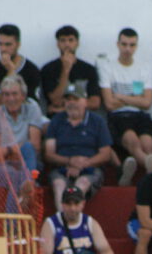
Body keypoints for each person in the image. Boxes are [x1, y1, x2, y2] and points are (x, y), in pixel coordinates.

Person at [98, 28, 152, 186]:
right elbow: (109, 104)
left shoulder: (144, 67)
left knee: (148, 143)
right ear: (118, 44)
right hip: (119, 117)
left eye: (132, 45)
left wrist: (121, 96)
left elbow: (147, 103)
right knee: (133, 140)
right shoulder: (107, 67)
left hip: (140, 115)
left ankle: (136, 173)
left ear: (136, 46)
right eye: (124, 44)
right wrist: (135, 98)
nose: (128, 49)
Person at [44, 82, 113, 210]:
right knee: (59, 184)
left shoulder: (97, 121)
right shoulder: (56, 121)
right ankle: (62, 222)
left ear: (85, 102)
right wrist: (69, 161)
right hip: (61, 168)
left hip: (90, 168)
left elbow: (106, 153)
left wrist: (83, 165)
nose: (71, 102)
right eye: (68, 99)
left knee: (82, 183)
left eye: (76, 99)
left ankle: (74, 220)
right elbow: (49, 154)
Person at [0, 75, 44, 212]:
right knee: (18, 177)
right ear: (1, 97)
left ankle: (11, 229)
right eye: (6, 95)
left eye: (14, 94)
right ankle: (28, 184)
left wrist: (7, 151)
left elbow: (35, 146)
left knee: (28, 150)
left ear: (23, 96)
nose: (11, 99)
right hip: (1, 168)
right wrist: (14, 149)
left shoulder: (32, 109)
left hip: (28, 163)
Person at [40, 25, 101, 114]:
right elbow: (56, 101)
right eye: (63, 40)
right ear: (58, 44)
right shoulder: (48, 69)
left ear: (77, 43)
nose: (67, 44)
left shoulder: (89, 69)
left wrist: (63, 108)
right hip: (58, 119)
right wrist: (66, 70)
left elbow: (95, 103)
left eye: (71, 40)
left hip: (83, 117)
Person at [0, 24, 40, 103]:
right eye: (0, 44)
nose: (3, 49)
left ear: (18, 45)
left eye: (8, 45)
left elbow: (32, 104)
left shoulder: (31, 70)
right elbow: (1, 101)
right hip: (0, 114)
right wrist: (11, 71)